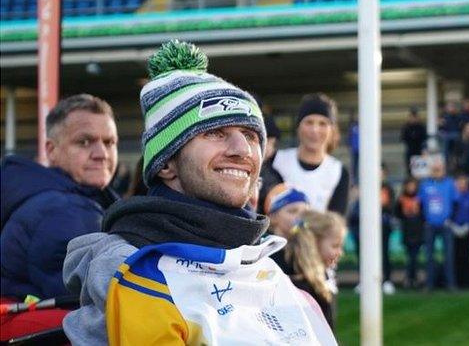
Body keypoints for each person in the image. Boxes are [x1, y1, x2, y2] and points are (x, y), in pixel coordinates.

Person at [61, 40, 336, 345]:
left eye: (249, 134)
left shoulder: (261, 263)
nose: (242, 150)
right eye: (215, 133)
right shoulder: (139, 273)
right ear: (166, 163)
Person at [1, 94, 119, 302]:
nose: (102, 153)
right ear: (51, 150)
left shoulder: (79, 199)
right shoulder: (62, 209)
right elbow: (96, 301)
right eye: (84, 142)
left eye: (109, 142)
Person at [268, 93, 350, 214]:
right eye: (309, 122)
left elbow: (336, 221)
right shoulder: (276, 160)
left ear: (332, 130)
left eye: (323, 123)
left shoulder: (338, 171)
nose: (315, 130)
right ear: (298, 126)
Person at [283, 210, 347, 328]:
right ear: (314, 243)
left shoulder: (322, 275)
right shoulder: (301, 282)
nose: (340, 253)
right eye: (335, 246)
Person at [348, 165, 397, 295]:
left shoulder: (386, 188)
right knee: (362, 255)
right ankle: (363, 281)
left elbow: (389, 206)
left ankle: (386, 281)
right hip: (361, 226)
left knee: (383, 254)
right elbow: (354, 209)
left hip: (382, 226)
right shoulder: (361, 187)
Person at [419, 160, 458, 290]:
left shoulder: (449, 184)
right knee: (429, 256)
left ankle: (450, 284)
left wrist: (450, 218)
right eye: (435, 169)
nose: (437, 172)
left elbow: (456, 202)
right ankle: (429, 284)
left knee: (448, 256)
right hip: (430, 225)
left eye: (439, 169)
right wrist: (425, 219)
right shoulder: (425, 185)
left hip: (445, 225)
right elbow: (420, 204)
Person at [394, 177, 426, 289]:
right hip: (407, 232)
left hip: (418, 232)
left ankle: (411, 279)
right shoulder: (401, 199)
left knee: (414, 258)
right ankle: (411, 279)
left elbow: (423, 214)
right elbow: (397, 214)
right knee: (410, 257)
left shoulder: (419, 199)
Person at [452, 174, 469, 288]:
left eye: (464, 183)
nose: (461, 185)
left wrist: (468, 226)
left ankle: (466, 282)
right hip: (454, 230)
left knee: (466, 255)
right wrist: (453, 226)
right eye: (459, 183)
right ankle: (456, 281)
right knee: (455, 256)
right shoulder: (452, 196)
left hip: (467, 229)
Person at [401, 107, 428, 175]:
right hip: (410, 151)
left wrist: (424, 150)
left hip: (419, 151)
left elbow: (424, 138)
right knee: (410, 169)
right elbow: (403, 138)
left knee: (420, 170)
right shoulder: (406, 127)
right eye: (412, 117)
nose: (413, 119)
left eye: (415, 117)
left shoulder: (421, 127)